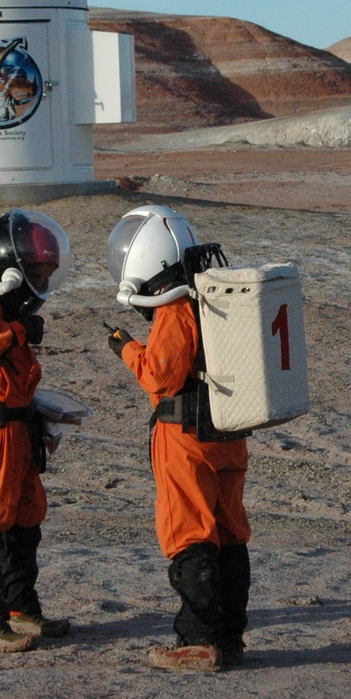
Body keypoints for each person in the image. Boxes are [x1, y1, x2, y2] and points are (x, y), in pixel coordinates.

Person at [103, 205, 250, 672]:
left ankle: (197, 640)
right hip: (228, 428)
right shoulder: (216, 296)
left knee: (189, 531)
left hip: (185, 435)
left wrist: (126, 346)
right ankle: (229, 637)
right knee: (229, 533)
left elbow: (161, 376)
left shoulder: (175, 307)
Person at [0, 208, 73, 653]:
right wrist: (21, 329)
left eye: (47, 269)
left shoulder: (2, 303)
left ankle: (20, 609)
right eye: (38, 269)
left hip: (18, 423)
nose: (42, 277)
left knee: (25, 517)